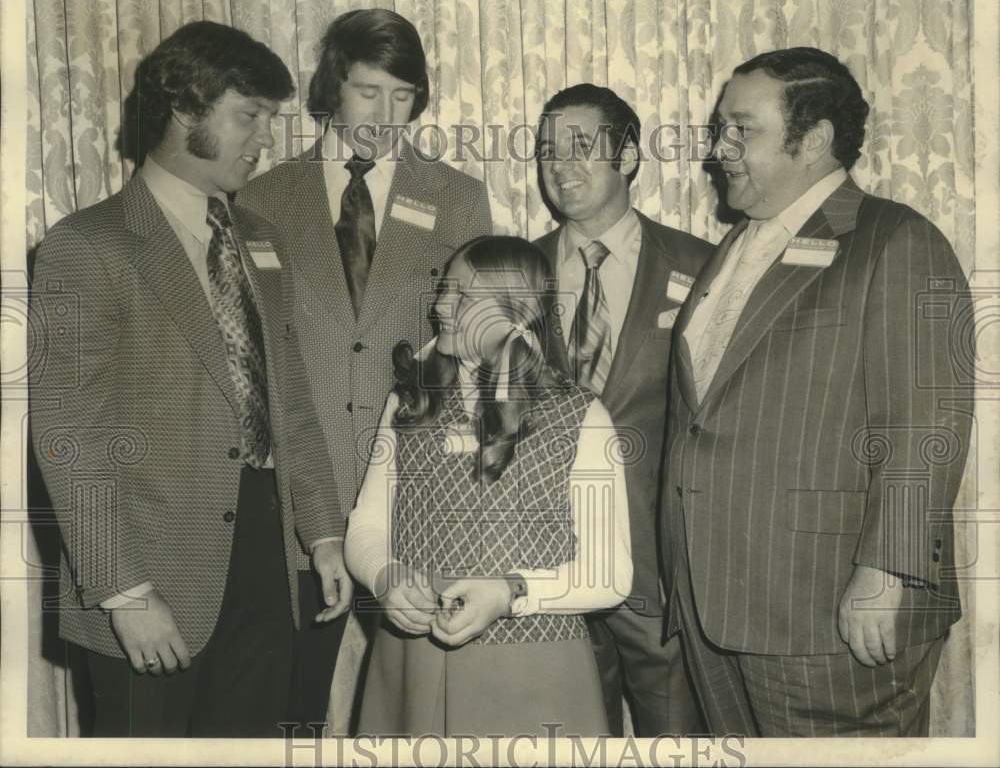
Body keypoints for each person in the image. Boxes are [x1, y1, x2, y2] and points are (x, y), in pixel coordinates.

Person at [28, 20, 347, 737]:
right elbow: (69, 433)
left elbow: (290, 398)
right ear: (184, 108)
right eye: (249, 116)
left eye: (270, 119)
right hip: (151, 571)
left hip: (266, 562)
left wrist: (324, 534)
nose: (265, 139)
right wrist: (124, 591)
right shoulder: (88, 245)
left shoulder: (262, 238)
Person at [662, 46, 973, 736]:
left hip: (830, 611)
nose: (719, 149)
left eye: (743, 130)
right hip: (721, 603)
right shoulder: (736, 246)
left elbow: (926, 422)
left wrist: (886, 570)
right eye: (720, 128)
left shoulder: (896, 240)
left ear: (817, 140)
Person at [237, 8, 491, 731]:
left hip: (415, 497)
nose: (385, 114)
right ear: (333, 86)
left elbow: (478, 349)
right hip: (295, 498)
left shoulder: (456, 195)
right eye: (367, 91)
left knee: (422, 706)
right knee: (290, 709)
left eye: (402, 95)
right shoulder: (260, 198)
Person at [344, 235, 633, 736]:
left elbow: (611, 573)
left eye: (463, 296)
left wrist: (510, 591)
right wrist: (384, 576)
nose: (439, 306)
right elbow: (366, 525)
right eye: (443, 290)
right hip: (413, 661)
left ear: (517, 314)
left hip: (533, 667)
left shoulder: (580, 416)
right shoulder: (410, 402)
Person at [533, 84, 711, 735]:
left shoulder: (702, 266)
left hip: (657, 567)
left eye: (582, 147)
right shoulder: (514, 271)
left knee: (677, 736)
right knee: (572, 733)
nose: (561, 165)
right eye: (549, 149)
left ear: (629, 157)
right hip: (545, 561)